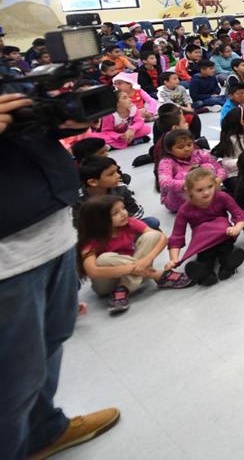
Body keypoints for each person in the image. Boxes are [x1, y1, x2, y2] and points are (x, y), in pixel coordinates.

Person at [1, 91, 125, 458]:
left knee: (52, 341)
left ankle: (42, 431)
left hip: (51, 232)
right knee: (13, 380)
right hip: (7, 261)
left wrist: (54, 122)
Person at [76, 196, 190, 313]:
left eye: (123, 208)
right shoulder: (90, 241)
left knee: (152, 235)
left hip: (138, 271)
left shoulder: (129, 223)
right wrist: (131, 269)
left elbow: (162, 238)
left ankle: (123, 288)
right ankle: (158, 275)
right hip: (107, 283)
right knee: (104, 258)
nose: (124, 213)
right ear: (99, 220)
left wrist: (146, 260)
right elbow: (92, 271)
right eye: (115, 213)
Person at [165, 167, 244, 287]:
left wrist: (237, 228)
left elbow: (239, 214)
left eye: (210, 187)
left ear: (215, 184)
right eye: (200, 190)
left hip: (223, 234)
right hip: (203, 241)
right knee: (205, 255)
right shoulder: (184, 210)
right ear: (189, 191)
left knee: (226, 248)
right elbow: (177, 236)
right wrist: (174, 259)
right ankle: (206, 274)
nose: (206, 192)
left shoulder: (222, 197)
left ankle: (228, 265)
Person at [156, 129, 227, 214]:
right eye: (181, 147)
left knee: (208, 167)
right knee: (186, 175)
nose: (186, 149)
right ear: (169, 150)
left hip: (202, 192)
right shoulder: (166, 162)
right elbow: (164, 183)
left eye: (189, 145)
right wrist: (192, 183)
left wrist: (218, 179)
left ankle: (207, 200)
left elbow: (220, 169)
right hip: (177, 201)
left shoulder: (200, 154)